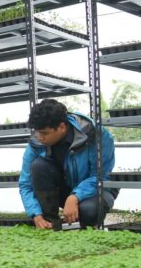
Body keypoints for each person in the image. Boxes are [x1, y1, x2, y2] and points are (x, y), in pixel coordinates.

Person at [19, 99, 117, 230]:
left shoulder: (96, 136)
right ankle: (50, 223)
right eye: (37, 132)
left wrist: (75, 197)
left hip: (97, 190)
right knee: (38, 166)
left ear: (61, 127)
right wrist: (36, 214)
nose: (39, 137)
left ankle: (87, 225)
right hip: (65, 191)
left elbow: (100, 176)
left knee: (88, 212)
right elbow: (25, 184)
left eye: (44, 133)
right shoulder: (36, 144)